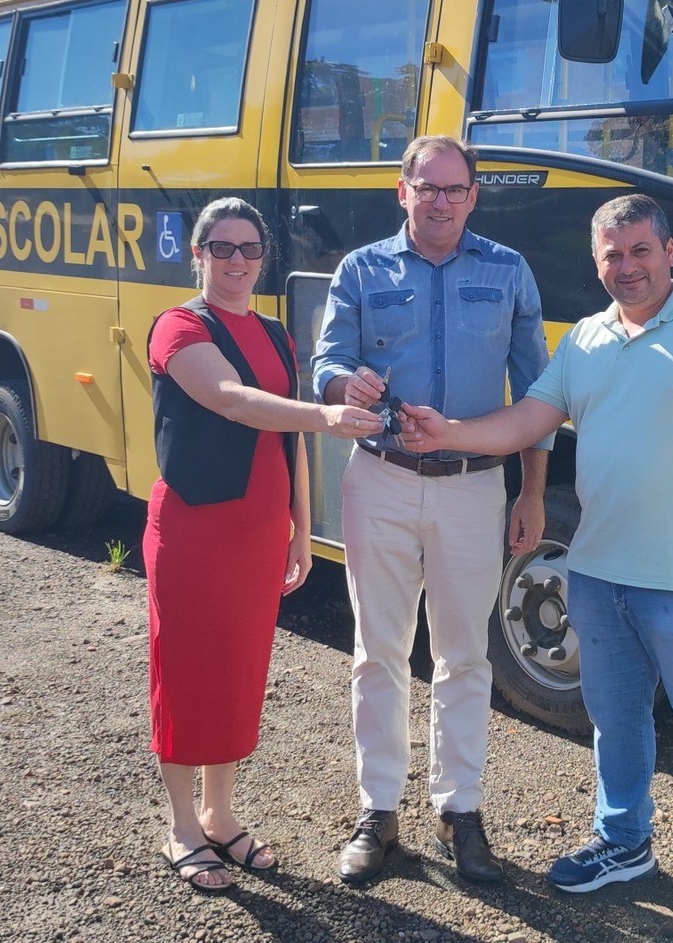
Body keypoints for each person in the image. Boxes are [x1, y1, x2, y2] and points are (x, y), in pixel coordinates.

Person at [400, 193, 673, 943]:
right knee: (616, 725)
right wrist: (449, 433)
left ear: (669, 252)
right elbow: (531, 421)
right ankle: (625, 844)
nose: (627, 267)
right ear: (597, 262)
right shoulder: (584, 337)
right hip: (599, 573)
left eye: (641, 251)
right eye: (612, 255)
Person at [312, 135, 552, 885]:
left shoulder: (508, 271)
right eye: (428, 188)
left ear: (474, 195)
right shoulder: (360, 270)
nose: (441, 202)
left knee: (464, 656)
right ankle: (378, 814)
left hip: (474, 486)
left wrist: (534, 493)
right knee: (378, 650)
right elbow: (325, 361)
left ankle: (460, 813)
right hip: (380, 479)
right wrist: (341, 385)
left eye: (455, 189)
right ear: (402, 191)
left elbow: (539, 395)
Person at [144, 197, 384, 894]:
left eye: (250, 248)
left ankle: (220, 814)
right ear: (199, 254)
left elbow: (287, 441)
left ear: (264, 256)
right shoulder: (180, 327)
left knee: (238, 670)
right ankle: (183, 826)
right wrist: (327, 412)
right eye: (222, 248)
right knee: (186, 670)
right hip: (192, 527)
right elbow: (231, 400)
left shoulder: (276, 332)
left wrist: (300, 527)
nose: (238, 261)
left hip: (256, 531)